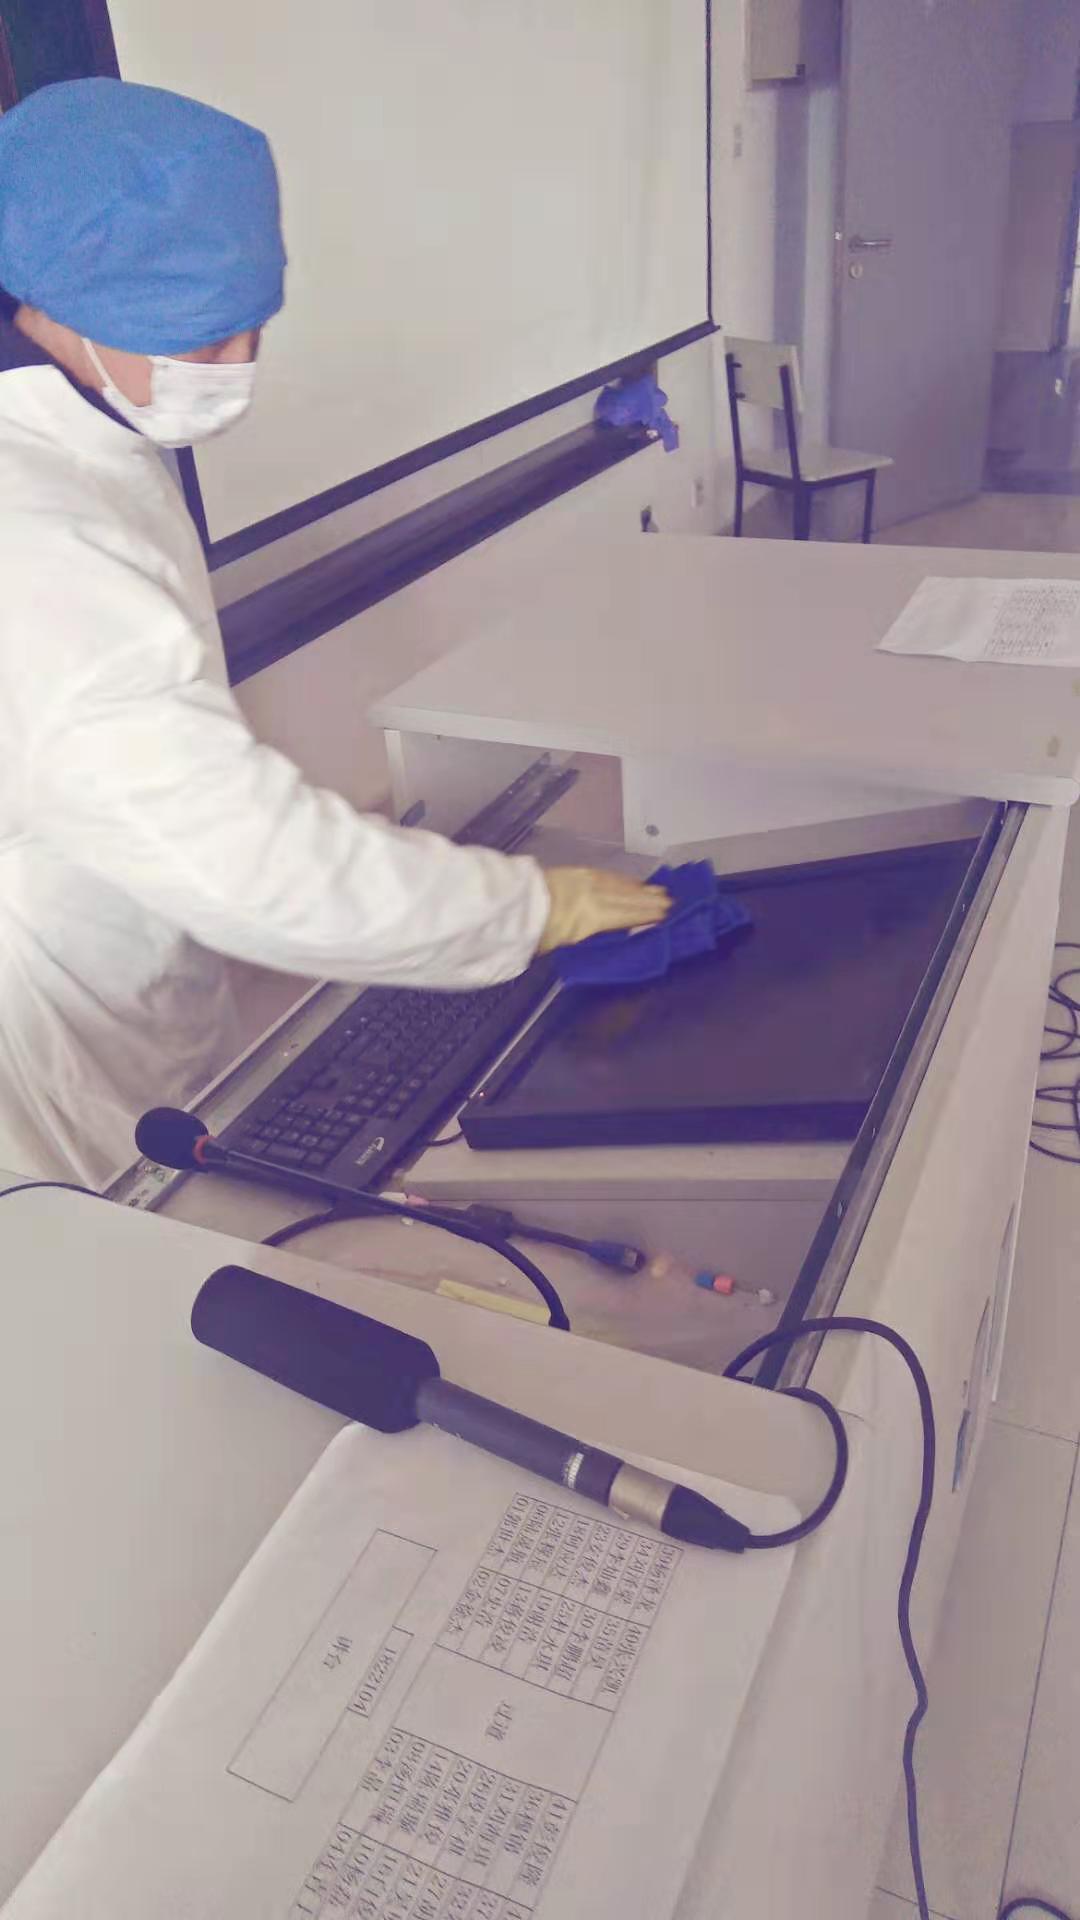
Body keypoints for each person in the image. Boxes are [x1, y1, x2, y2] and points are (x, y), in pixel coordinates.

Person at [0, 77, 667, 1188]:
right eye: (205, 341)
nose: (237, 370)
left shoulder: (76, 417)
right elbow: (239, 859)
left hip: (119, 918)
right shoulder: (37, 546)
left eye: (253, 329)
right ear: (68, 300)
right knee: (130, 1222)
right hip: (53, 1001)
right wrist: (524, 908)